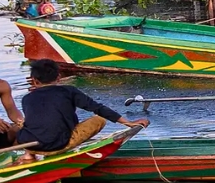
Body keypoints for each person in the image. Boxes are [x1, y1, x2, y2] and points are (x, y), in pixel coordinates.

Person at [17, 59, 147, 152]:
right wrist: (127, 123)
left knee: (22, 123)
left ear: (34, 81)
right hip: (59, 145)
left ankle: (29, 155)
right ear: (58, 77)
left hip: (30, 144)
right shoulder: (69, 91)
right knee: (98, 119)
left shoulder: (27, 98)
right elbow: (98, 108)